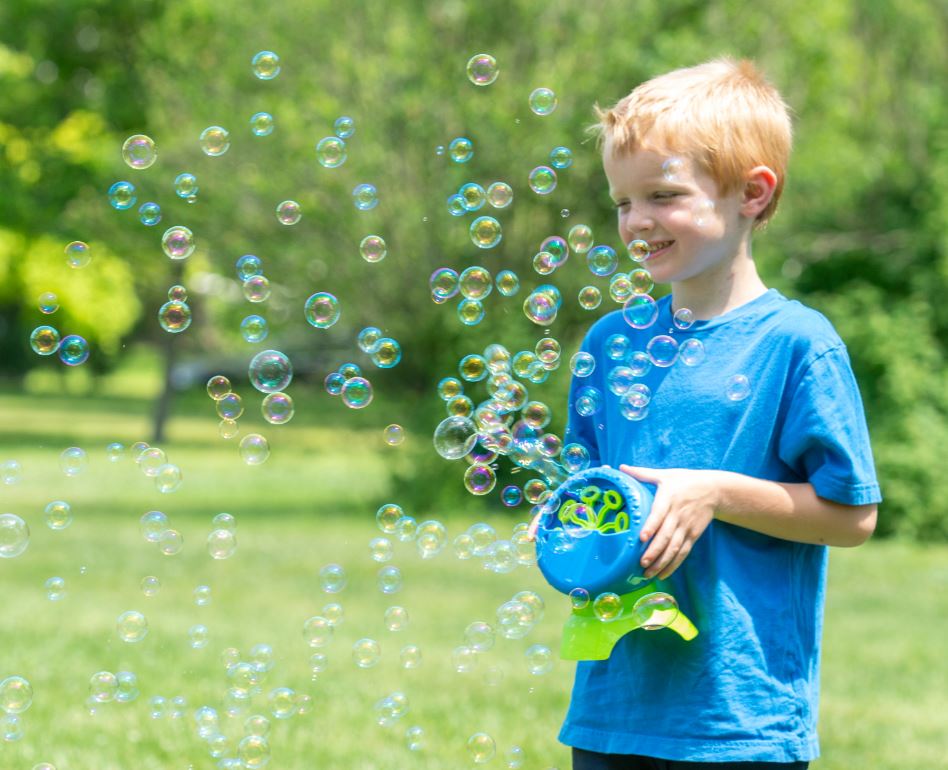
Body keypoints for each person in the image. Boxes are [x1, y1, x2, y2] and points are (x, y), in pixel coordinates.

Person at [556, 58, 882, 769]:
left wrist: (715, 491)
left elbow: (852, 517)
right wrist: (567, 529)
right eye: (621, 202)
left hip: (738, 717)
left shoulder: (796, 345)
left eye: (664, 195)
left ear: (752, 194)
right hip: (615, 709)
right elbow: (584, 497)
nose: (637, 221)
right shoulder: (612, 344)